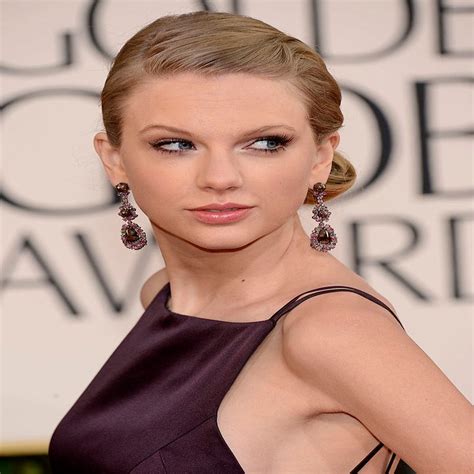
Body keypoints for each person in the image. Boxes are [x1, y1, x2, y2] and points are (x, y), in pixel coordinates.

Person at [48, 10, 472, 473]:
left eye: (266, 143)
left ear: (320, 157)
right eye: (176, 144)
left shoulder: (330, 331)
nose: (220, 177)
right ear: (114, 159)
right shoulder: (164, 294)